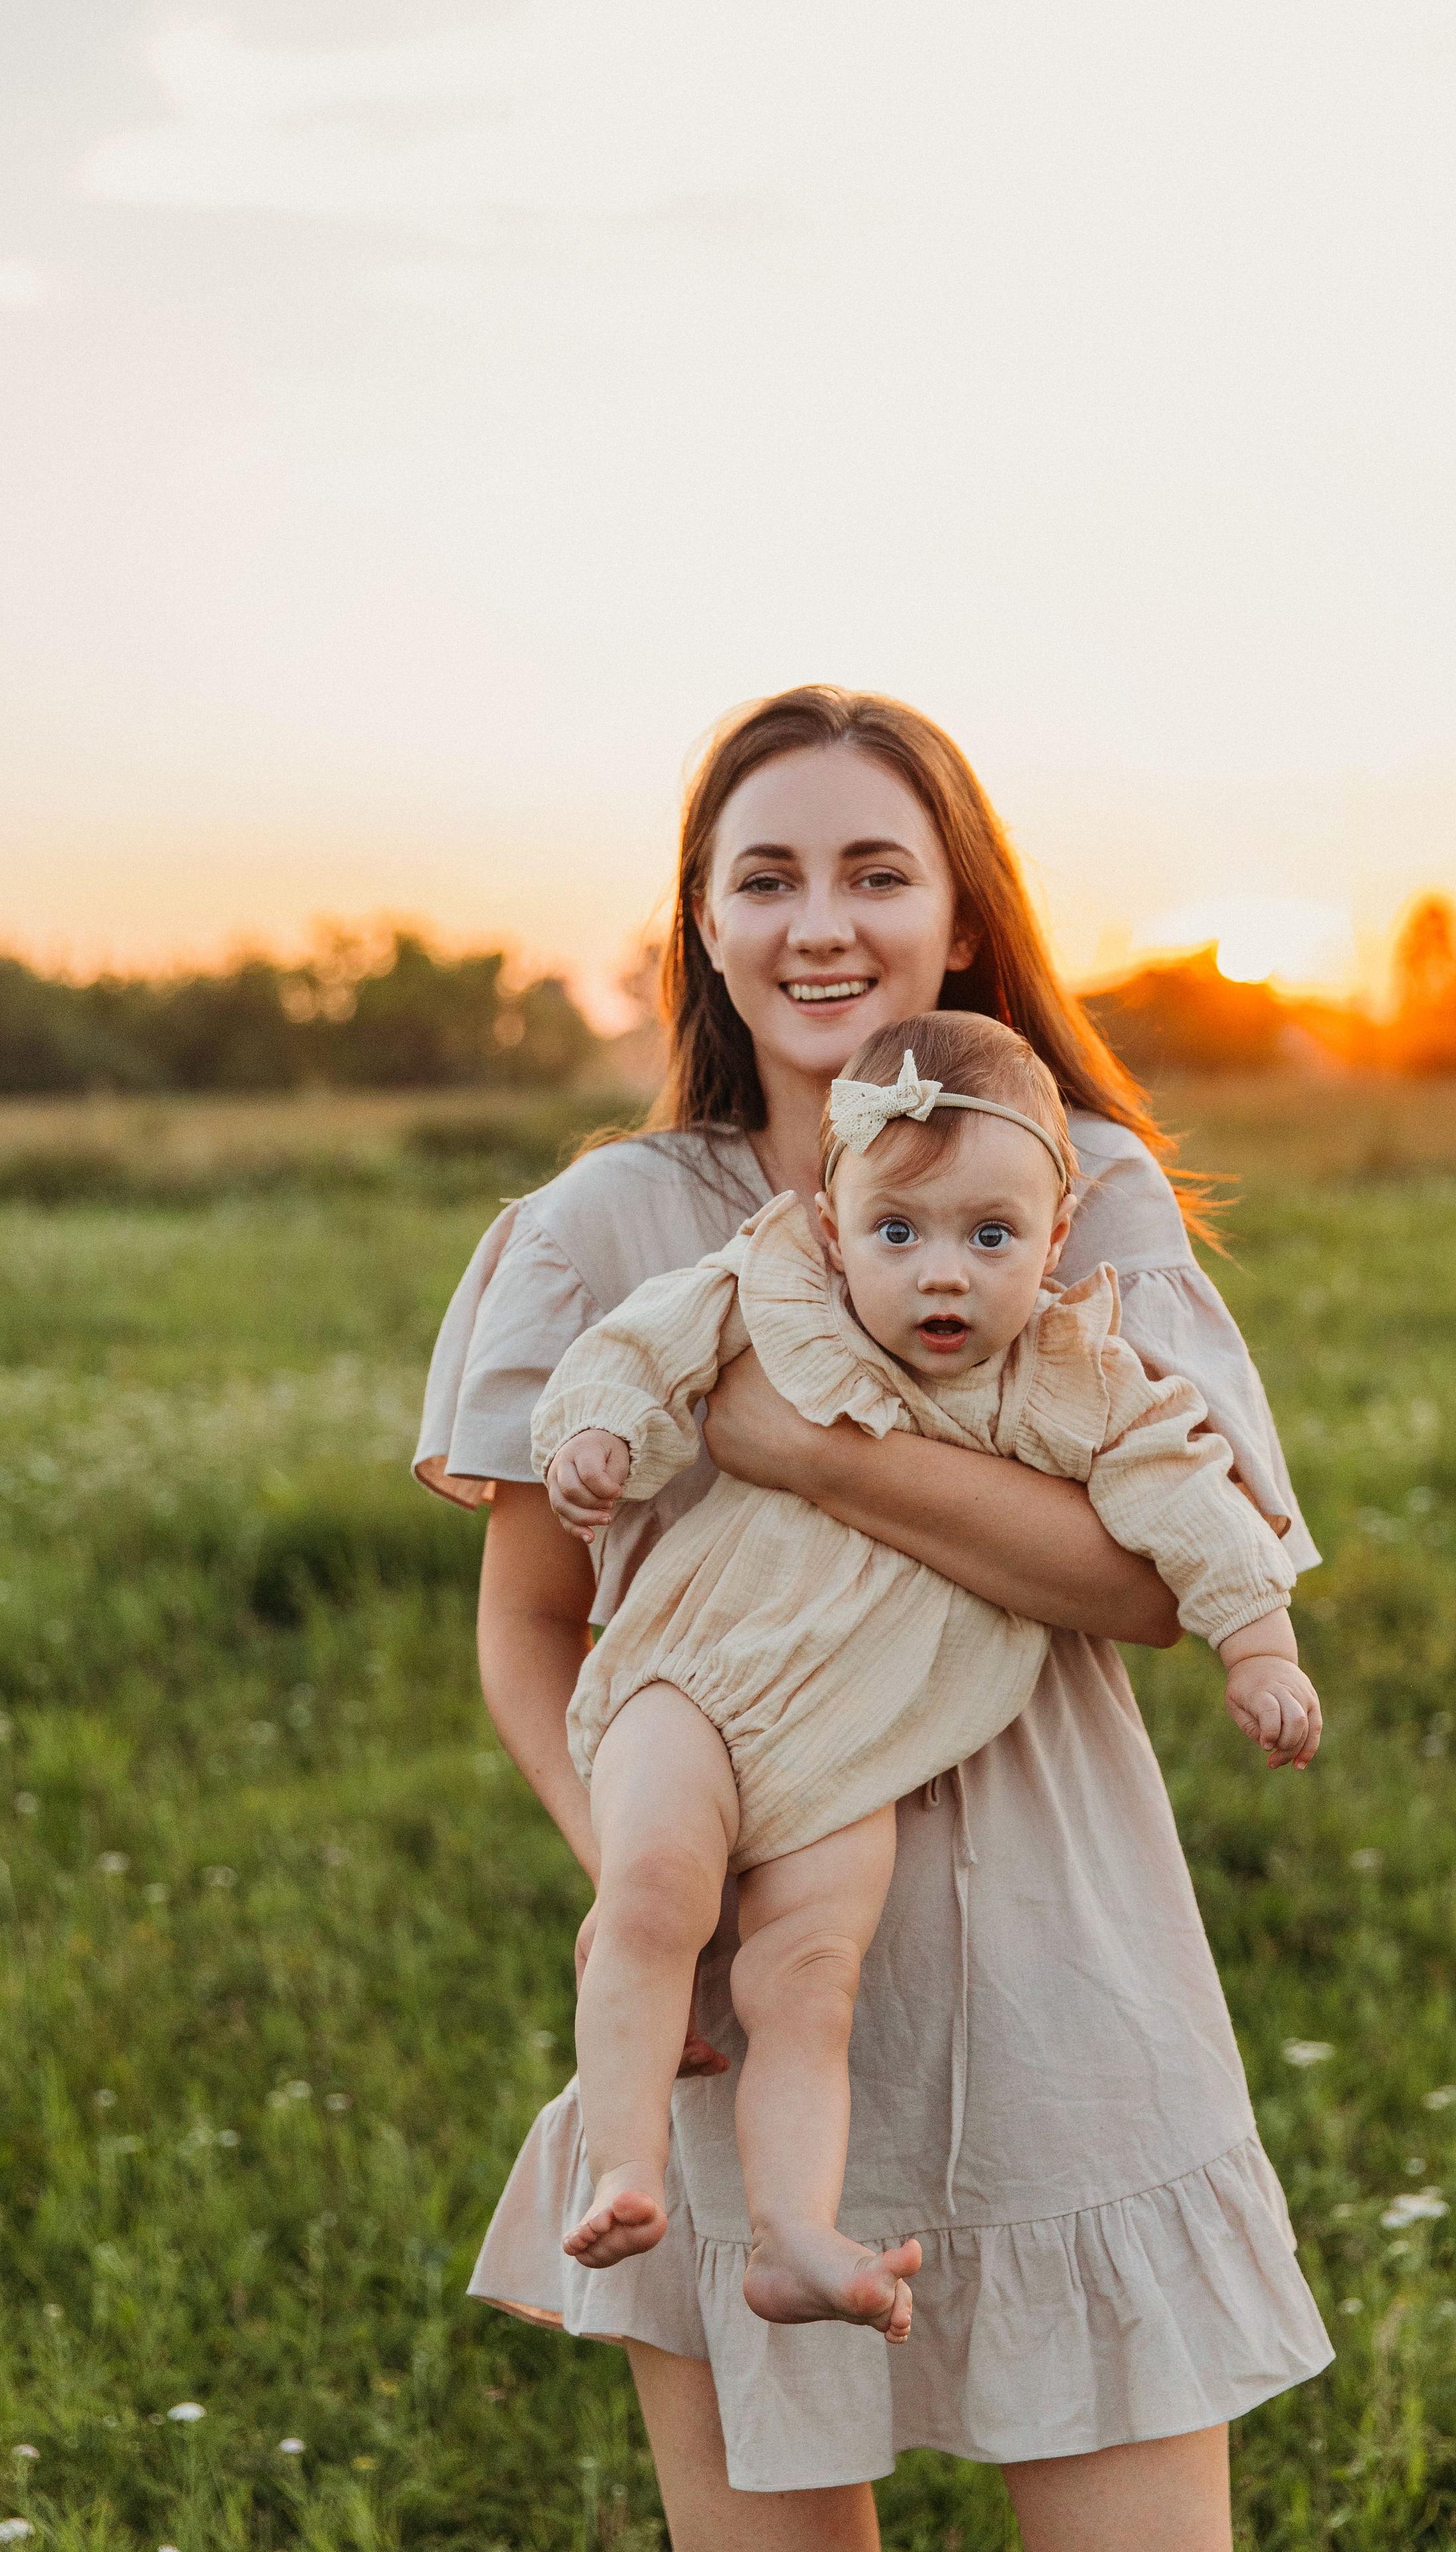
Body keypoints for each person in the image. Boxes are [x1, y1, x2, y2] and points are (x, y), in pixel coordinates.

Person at [414, 685, 1332, 2552]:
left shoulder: (1073, 1188)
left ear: (959, 919)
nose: (816, 923)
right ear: (703, 923)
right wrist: (651, 1905)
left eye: (871, 873)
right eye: (765, 877)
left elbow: (1166, 1580)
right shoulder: (610, 1227)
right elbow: (529, 1625)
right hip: (751, 2002)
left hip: (1065, 1974)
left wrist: (806, 1451)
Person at [534, 1013, 1318, 2346]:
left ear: (1055, 1240)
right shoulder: (768, 1288)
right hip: (693, 1680)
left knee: (804, 1973)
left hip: (857, 1749)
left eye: (988, 1238)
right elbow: (632, 1349)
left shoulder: (1066, 1379)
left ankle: (793, 2239)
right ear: (832, 1227)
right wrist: (593, 1434)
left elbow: (1182, 1496)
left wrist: (1258, 1644)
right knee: (655, 1887)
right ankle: (625, 2163)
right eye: (897, 1233)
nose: (940, 1276)